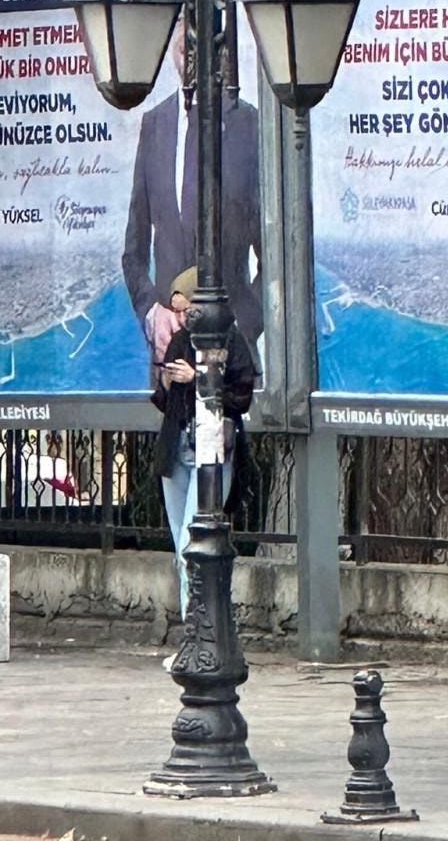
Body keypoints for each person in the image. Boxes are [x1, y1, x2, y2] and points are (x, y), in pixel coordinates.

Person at [123, 0, 263, 374]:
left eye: (196, 16)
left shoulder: (248, 124)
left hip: (233, 364)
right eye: (180, 18)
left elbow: (274, 255)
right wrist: (152, 314)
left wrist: (240, 328)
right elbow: (133, 251)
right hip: (170, 363)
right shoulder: (154, 125)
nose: (187, 31)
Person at [151, 266, 256, 642]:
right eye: (177, 311)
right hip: (177, 447)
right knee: (180, 545)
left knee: (193, 544)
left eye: (187, 310)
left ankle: (201, 636)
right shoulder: (179, 340)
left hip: (211, 449)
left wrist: (197, 378)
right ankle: (192, 632)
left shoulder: (231, 339)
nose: (182, 318)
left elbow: (241, 396)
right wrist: (167, 382)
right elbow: (164, 401)